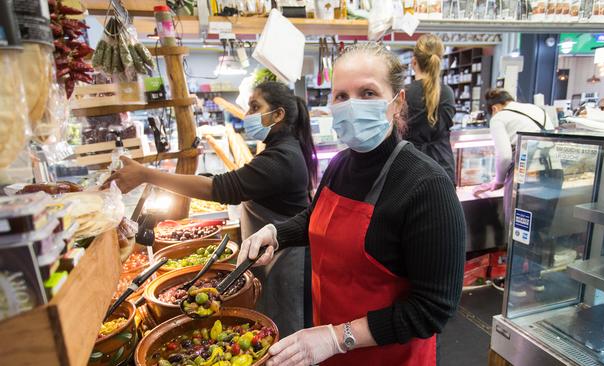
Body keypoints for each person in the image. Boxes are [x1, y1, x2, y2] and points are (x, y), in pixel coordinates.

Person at [238, 43, 466, 366]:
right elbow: (317, 218)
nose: (351, 106)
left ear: (397, 103)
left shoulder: (426, 186)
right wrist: (276, 233)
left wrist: (336, 337)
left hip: (389, 358)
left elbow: (433, 308)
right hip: (331, 352)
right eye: (341, 96)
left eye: (368, 93)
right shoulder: (340, 164)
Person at [104, 81, 317, 336]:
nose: (247, 114)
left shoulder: (282, 158)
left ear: (278, 114)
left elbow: (220, 189)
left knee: (287, 334)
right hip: (272, 258)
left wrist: (145, 174)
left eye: (254, 106)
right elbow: (231, 182)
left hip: (287, 264)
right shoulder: (279, 151)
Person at [473, 89, 562, 297]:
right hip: (554, 174)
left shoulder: (499, 118)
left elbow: (504, 156)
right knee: (540, 228)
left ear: (494, 108)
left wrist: (497, 181)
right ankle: (536, 278)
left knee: (519, 229)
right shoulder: (537, 110)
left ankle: (516, 283)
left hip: (527, 177)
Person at [404, 34, 457, 183]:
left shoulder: (404, 93)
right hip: (443, 169)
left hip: (411, 169)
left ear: (414, 62)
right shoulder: (447, 92)